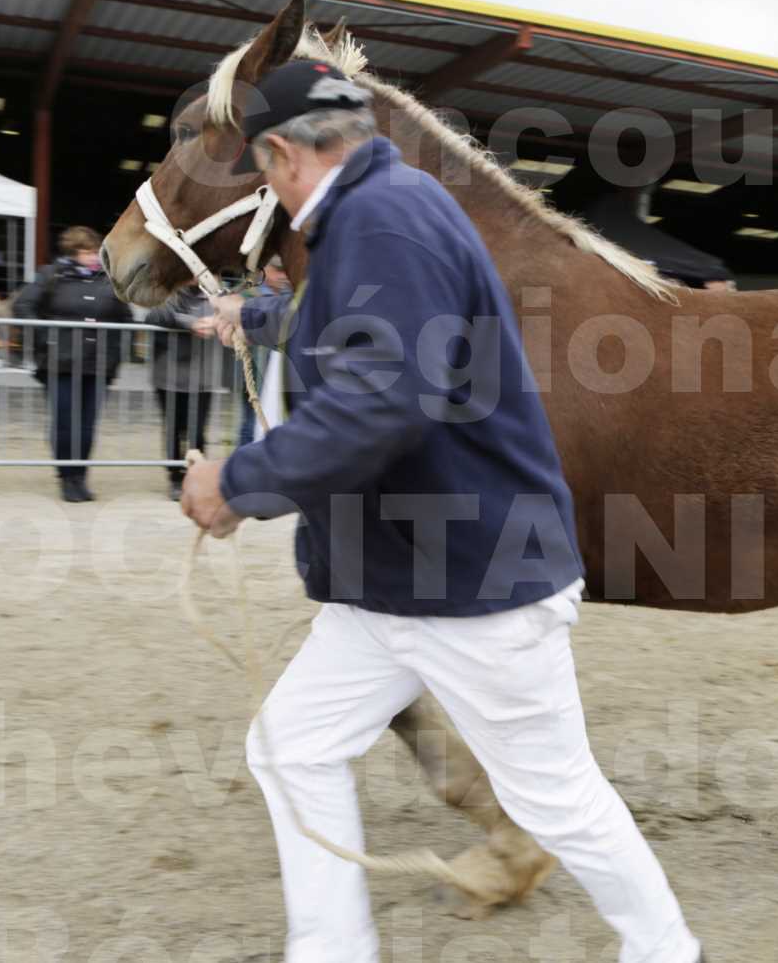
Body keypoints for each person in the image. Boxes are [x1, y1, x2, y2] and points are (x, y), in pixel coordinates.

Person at [184, 59, 703, 963]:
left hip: (470, 582)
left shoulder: (382, 219)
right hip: (395, 583)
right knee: (291, 747)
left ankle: (667, 952)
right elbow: (350, 333)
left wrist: (236, 484)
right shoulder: (383, 211)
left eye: (257, 166)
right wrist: (257, 323)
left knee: (555, 798)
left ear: (280, 151)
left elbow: (383, 398)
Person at [14, 226, 133, 502]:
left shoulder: (110, 280)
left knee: (88, 424)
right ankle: (66, 475)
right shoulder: (52, 275)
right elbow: (24, 306)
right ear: (72, 253)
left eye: (95, 252)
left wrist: (114, 354)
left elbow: (124, 317)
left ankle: (81, 475)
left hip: (98, 364)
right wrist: (47, 338)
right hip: (61, 363)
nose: (92, 257)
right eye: (85, 252)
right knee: (64, 422)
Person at [147, 283, 231, 500]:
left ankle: (196, 477)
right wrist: (191, 324)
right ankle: (175, 478)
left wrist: (216, 321)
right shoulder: (167, 291)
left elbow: (233, 315)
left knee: (197, 430)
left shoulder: (218, 295)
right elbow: (156, 315)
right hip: (169, 375)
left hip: (202, 376)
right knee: (173, 428)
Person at [235, 256, 294, 448]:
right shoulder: (247, 294)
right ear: (262, 269)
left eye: (285, 270)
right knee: (251, 424)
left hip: (278, 378)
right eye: (277, 270)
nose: (282, 276)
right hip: (255, 373)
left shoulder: (291, 296)